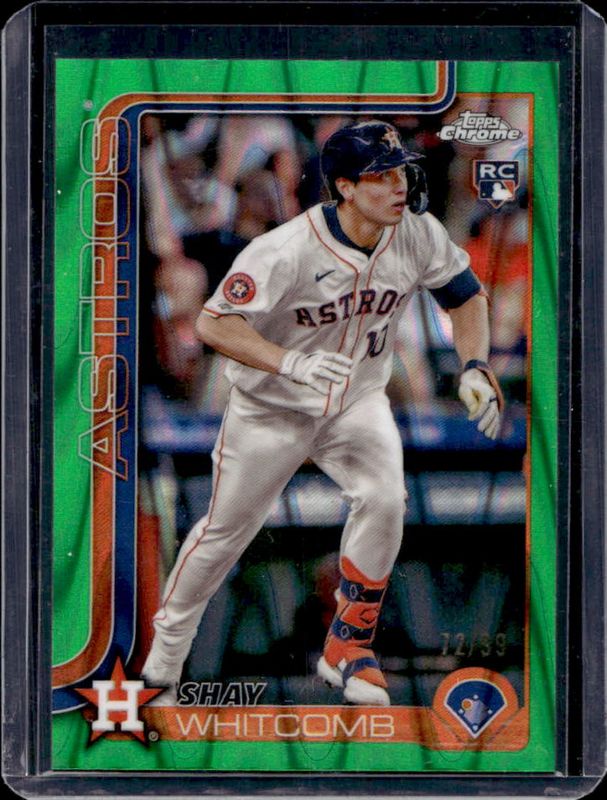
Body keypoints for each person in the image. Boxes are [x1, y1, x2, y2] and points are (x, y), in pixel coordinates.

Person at [142, 120, 503, 707]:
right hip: (272, 405)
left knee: (385, 499)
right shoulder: (287, 249)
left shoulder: (416, 234)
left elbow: (465, 297)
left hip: (355, 400)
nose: (398, 186)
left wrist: (475, 365)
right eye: (380, 177)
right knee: (224, 533)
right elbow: (213, 323)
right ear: (345, 188)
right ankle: (164, 661)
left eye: (400, 173)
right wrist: (288, 361)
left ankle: (348, 647)